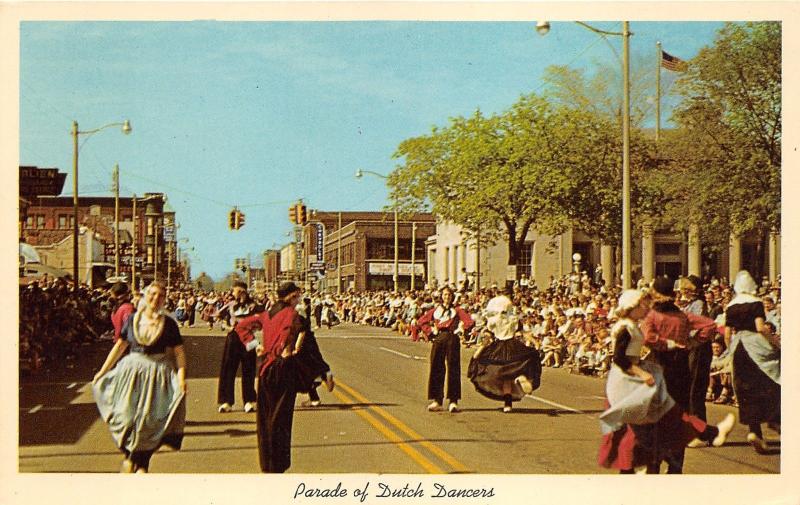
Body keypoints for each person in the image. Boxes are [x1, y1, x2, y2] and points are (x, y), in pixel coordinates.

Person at [598, 289, 734, 474]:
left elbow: (640, 349)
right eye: (641, 305)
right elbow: (620, 359)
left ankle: (638, 468)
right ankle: (710, 432)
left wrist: (670, 345)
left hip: (631, 376)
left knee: (642, 424)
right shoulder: (626, 328)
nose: (645, 308)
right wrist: (643, 373)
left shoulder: (633, 325)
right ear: (632, 307)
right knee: (655, 418)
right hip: (626, 380)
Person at [92, 281, 187, 473]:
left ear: (164, 299)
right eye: (152, 294)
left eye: (160, 295)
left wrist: (181, 378)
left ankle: (142, 463)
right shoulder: (133, 319)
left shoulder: (169, 324)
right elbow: (120, 346)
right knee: (126, 417)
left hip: (157, 374)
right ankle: (129, 456)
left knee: (149, 422)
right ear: (145, 295)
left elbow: (179, 353)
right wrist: (102, 371)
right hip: (131, 372)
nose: (155, 298)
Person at [640, 276, 718, 469]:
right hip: (680, 368)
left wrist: (662, 343)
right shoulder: (683, 316)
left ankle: (654, 464)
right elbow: (710, 325)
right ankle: (676, 465)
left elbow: (648, 338)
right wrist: (693, 342)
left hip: (657, 366)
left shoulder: (652, 316)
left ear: (656, 294)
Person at [243, 282, 308, 473]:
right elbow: (287, 332)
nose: (298, 300)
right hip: (282, 366)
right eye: (297, 296)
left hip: (265, 368)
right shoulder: (291, 314)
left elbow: (242, 327)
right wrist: (281, 349)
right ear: (291, 296)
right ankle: (278, 464)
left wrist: (255, 345)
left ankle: (267, 462)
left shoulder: (267, 313)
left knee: (265, 416)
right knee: (281, 417)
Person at [724, 270, 781, 454]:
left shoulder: (731, 306)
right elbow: (760, 327)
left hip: (738, 347)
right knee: (771, 381)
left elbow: (726, 334)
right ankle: (775, 420)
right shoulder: (755, 303)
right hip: (754, 346)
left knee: (745, 391)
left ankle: (754, 432)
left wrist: (730, 349)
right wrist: (775, 342)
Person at [468, 291, 541, 413]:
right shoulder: (513, 319)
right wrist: (535, 342)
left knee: (499, 374)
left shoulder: (493, 320)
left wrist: (482, 345)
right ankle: (519, 378)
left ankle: (508, 404)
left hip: (498, 347)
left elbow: (488, 335)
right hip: (513, 346)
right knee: (513, 370)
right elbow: (523, 333)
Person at [417, 286, 474, 413]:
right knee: (437, 368)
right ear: (441, 297)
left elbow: (469, 322)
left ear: (452, 296)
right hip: (439, 339)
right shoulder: (435, 310)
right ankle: (437, 400)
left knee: (454, 369)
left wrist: (461, 329)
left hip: (452, 338)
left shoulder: (457, 310)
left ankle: (453, 401)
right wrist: (431, 332)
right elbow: (421, 321)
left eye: (449, 295)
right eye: (444, 295)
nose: (446, 297)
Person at [217, 281, 259, 413]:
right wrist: (226, 327)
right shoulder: (230, 305)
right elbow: (218, 317)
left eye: (240, 291)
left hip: (248, 339)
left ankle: (249, 400)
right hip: (233, 337)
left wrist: (254, 327)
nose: (238, 294)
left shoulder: (253, 306)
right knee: (228, 368)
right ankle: (226, 401)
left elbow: (261, 320)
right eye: (236, 291)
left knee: (249, 369)